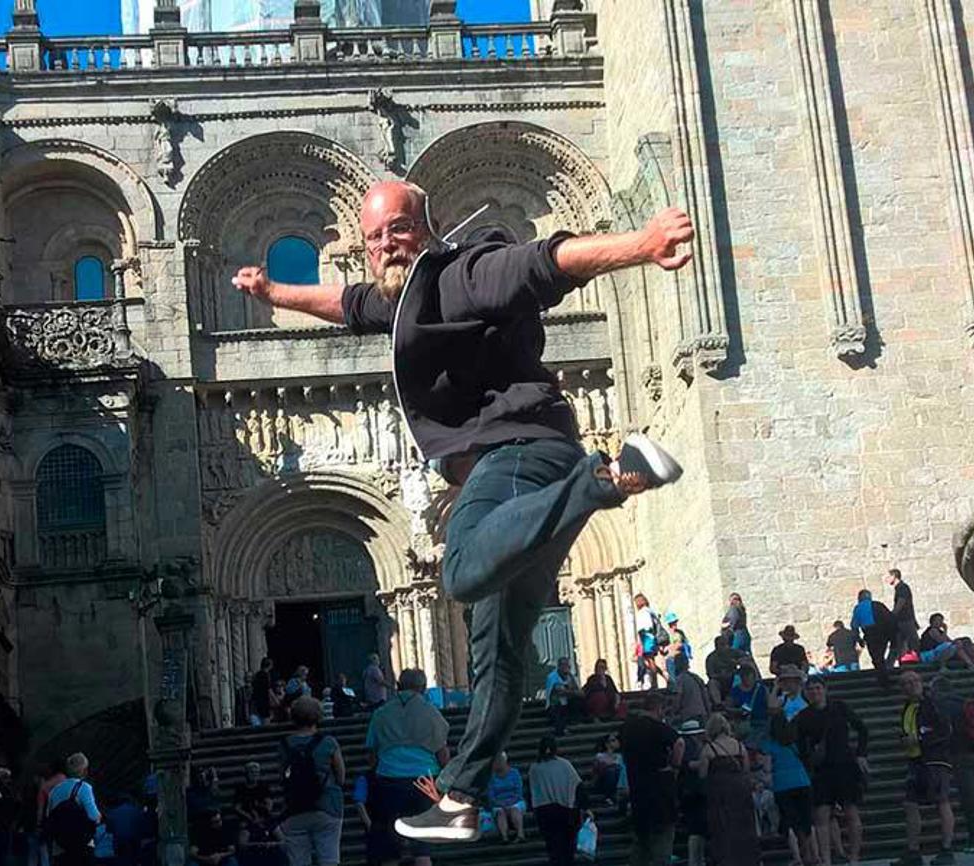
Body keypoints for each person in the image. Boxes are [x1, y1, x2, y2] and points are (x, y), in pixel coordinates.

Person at [234, 181, 693, 843]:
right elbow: (345, 304)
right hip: (527, 480)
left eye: (396, 229)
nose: (384, 245)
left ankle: (607, 477)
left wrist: (643, 246)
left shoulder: (466, 272)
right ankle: (460, 798)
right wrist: (274, 293)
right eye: (372, 237)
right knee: (499, 662)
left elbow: (547, 262)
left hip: (515, 461)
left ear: (427, 227)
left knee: (458, 574)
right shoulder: (401, 300)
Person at [364, 668, 449, 866]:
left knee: (390, 842)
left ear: (398, 686)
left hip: (389, 779)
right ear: (424, 687)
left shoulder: (381, 713)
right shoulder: (431, 713)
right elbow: (442, 753)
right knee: (422, 843)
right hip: (425, 780)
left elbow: (371, 755)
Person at [782, 676, 869, 866]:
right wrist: (807, 763)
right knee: (821, 816)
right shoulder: (804, 716)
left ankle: (854, 858)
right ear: (806, 692)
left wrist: (861, 754)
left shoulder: (839, 707)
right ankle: (826, 861)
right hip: (822, 771)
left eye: (818, 688)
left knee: (851, 813)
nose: (815, 692)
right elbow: (797, 744)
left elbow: (862, 729)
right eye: (811, 689)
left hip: (845, 765)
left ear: (825, 689)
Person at [930, 676, 974, 855]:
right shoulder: (962, 702)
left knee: (969, 800)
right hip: (973, 754)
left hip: (957, 755)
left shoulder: (941, 705)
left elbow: (944, 731)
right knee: (970, 797)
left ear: (936, 690)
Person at [893, 671, 955, 866]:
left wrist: (919, 738)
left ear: (921, 682)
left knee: (941, 801)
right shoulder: (908, 707)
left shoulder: (932, 703)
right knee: (910, 803)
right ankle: (913, 852)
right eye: (905, 683)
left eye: (913, 681)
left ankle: (946, 849)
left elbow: (945, 729)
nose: (911, 685)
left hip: (935, 760)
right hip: (916, 759)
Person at [279, 696, 345, 866]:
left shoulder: (285, 745)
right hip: (327, 805)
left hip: (295, 809)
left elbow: (282, 776)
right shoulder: (329, 743)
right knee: (329, 859)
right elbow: (341, 777)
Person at [621, 691, 682, 865]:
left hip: (638, 791)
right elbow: (679, 742)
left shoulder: (629, 728)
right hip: (660, 790)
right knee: (662, 841)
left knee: (641, 843)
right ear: (659, 708)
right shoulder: (657, 727)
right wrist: (674, 766)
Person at [694, 712, 761, 866]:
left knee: (723, 829)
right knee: (744, 827)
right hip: (740, 791)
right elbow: (746, 769)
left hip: (720, 793)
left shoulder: (709, 749)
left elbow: (703, 774)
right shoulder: (739, 745)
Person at [529, 736, 583, 865]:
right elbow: (577, 784)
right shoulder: (564, 764)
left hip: (544, 809)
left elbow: (533, 790)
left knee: (552, 845)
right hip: (565, 808)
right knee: (568, 845)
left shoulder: (535, 768)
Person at [47, 754, 101, 866]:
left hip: (60, 847)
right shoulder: (85, 788)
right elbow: (93, 816)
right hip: (82, 846)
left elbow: (49, 817)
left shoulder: (54, 791)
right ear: (84, 770)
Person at [675, 719, 709, 866]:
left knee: (697, 828)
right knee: (696, 827)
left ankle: (697, 859)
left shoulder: (691, 745)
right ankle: (696, 860)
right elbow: (689, 764)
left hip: (692, 789)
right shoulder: (690, 747)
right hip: (693, 790)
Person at [850, 589, 897, 687]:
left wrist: (858, 639)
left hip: (870, 634)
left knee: (876, 657)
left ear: (859, 598)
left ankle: (883, 679)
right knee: (880, 656)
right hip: (884, 633)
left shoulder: (858, 608)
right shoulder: (878, 605)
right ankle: (884, 677)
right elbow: (890, 618)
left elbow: (854, 626)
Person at [486, 752, 526, 844]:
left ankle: (520, 834)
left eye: (499, 761)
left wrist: (510, 802)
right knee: (500, 812)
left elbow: (518, 792)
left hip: (515, 800)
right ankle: (504, 837)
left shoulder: (514, 773)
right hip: (498, 803)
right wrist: (501, 804)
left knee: (515, 809)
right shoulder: (491, 777)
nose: (497, 764)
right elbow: (491, 795)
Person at [726, 663, 769, 744]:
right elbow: (727, 707)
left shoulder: (762, 689)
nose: (746, 679)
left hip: (762, 724)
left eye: (748, 676)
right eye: (743, 676)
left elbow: (769, 705)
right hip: (744, 726)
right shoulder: (735, 691)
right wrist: (739, 711)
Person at [238, 795, 286, 866]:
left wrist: (273, 844)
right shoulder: (248, 827)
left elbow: (282, 841)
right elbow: (242, 844)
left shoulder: (271, 824)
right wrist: (258, 845)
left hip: (271, 854)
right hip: (254, 855)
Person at [632, 593, 669, 688]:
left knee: (649, 660)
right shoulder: (650, 611)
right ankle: (664, 677)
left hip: (647, 637)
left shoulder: (644, 612)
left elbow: (647, 627)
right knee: (648, 660)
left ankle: (656, 683)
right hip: (649, 637)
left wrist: (642, 640)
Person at [666, 655, 711, 725]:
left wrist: (672, 713)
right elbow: (706, 698)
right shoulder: (697, 678)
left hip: (688, 716)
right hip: (702, 715)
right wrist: (708, 714)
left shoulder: (679, 680)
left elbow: (677, 699)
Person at [544, 657, 584, 735]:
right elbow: (560, 691)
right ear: (559, 666)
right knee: (557, 710)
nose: (567, 668)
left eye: (568, 666)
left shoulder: (570, 676)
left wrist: (572, 691)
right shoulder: (552, 677)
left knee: (577, 701)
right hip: (554, 705)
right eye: (564, 665)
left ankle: (575, 721)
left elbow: (579, 692)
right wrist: (572, 691)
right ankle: (561, 730)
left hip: (567, 703)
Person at [887, 568, 921, 661]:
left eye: (888, 577)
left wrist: (892, 615)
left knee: (913, 643)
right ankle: (890, 665)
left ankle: (920, 661)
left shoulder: (902, 587)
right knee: (899, 644)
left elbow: (901, 603)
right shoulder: (900, 588)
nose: (886, 579)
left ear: (894, 576)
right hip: (902, 620)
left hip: (905, 620)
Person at [706, 635, 745, 707]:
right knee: (712, 683)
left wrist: (738, 662)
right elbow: (710, 675)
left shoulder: (732, 652)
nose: (725, 647)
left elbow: (746, 657)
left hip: (733, 680)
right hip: (720, 683)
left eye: (726, 644)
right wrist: (722, 676)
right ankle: (718, 704)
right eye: (722, 645)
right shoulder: (711, 658)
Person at [591, 732, 625, 805]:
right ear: (607, 744)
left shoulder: (620, 756)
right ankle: (609, 796)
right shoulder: (600, 756)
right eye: (613, 740)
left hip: (618, 782)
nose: (616, 742)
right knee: (612, 770)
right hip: (603, 780)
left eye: (616, 740)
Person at [663, 611, 692, 677]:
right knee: (674, 680)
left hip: (681, 658)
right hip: (671, 659)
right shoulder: (666, 634)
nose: (674, 624)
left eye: (675, 622)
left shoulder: (680, 632)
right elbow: (663, 649)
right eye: (672, 623)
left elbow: (685, 643)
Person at [251, 658, 275, 725]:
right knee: (266, 720)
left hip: (257, 701)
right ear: (270, 665)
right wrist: (275, 700)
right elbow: (268, 689)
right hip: (264, 700)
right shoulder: (266, 675)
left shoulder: (256, 675)